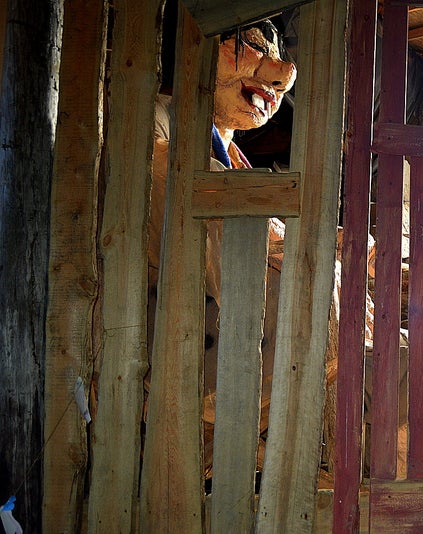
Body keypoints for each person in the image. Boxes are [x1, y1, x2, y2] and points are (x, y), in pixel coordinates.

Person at [149, 17, 296, 476]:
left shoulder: (239, 155)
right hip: (176, 296)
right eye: (251, 46)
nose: (278, 77)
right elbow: (163, 178)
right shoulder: (157, 115)